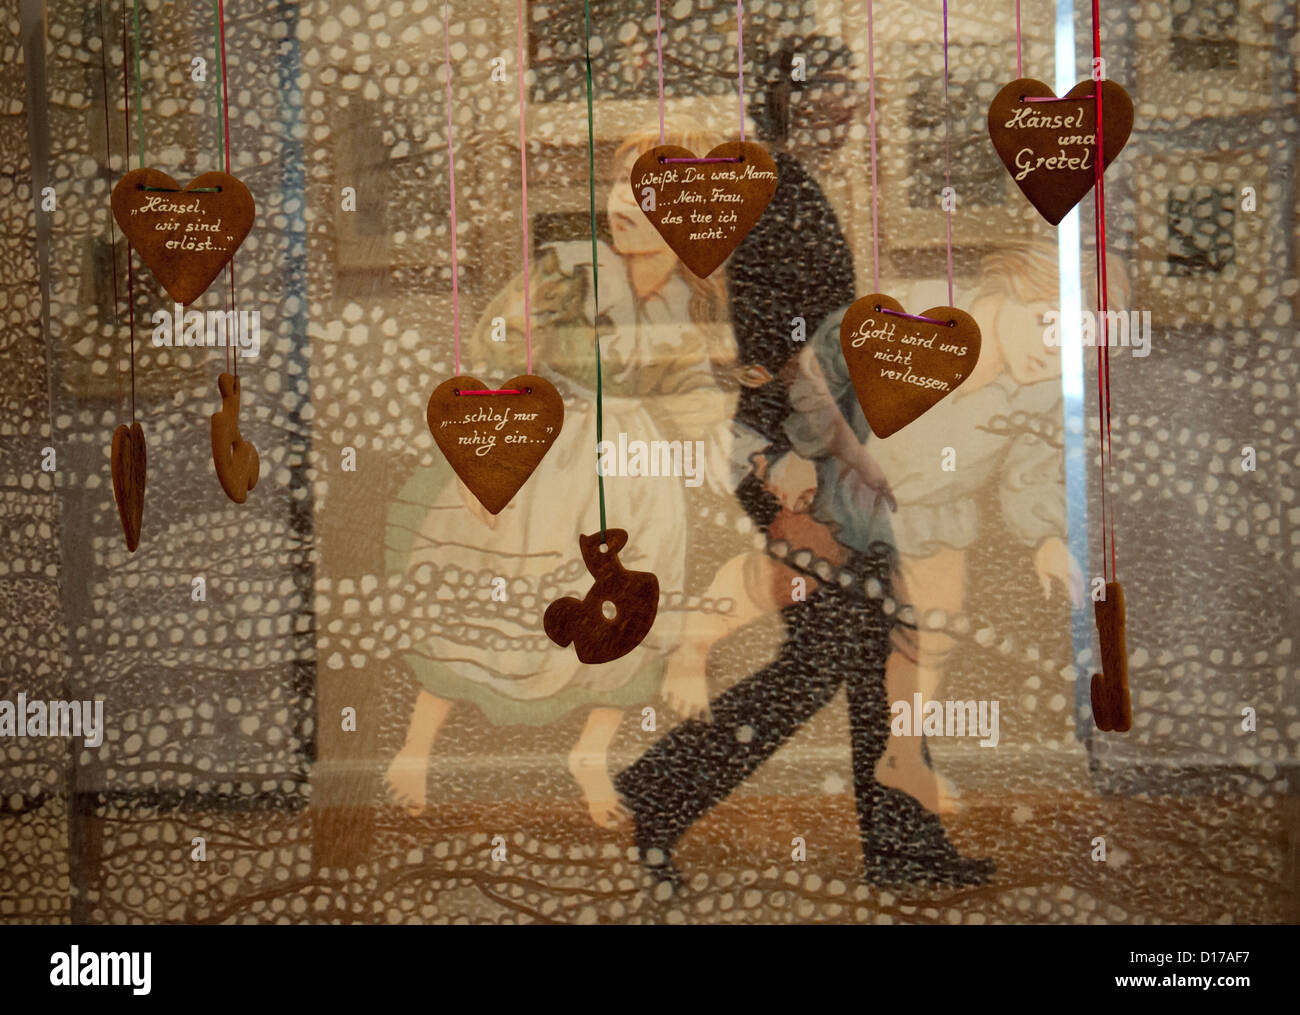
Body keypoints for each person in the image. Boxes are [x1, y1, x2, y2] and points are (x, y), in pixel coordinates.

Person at [382, 119, 748, 829]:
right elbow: (491, 349)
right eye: (620, 184)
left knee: (629, 601)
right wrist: (508, 349)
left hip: (631, 469)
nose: (626, 203)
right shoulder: (569, 263)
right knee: (502, 589)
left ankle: (591, 751)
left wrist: (735, 449)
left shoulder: (695, 300)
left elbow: (700, 394)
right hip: (542, 445)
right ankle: (415, 747)